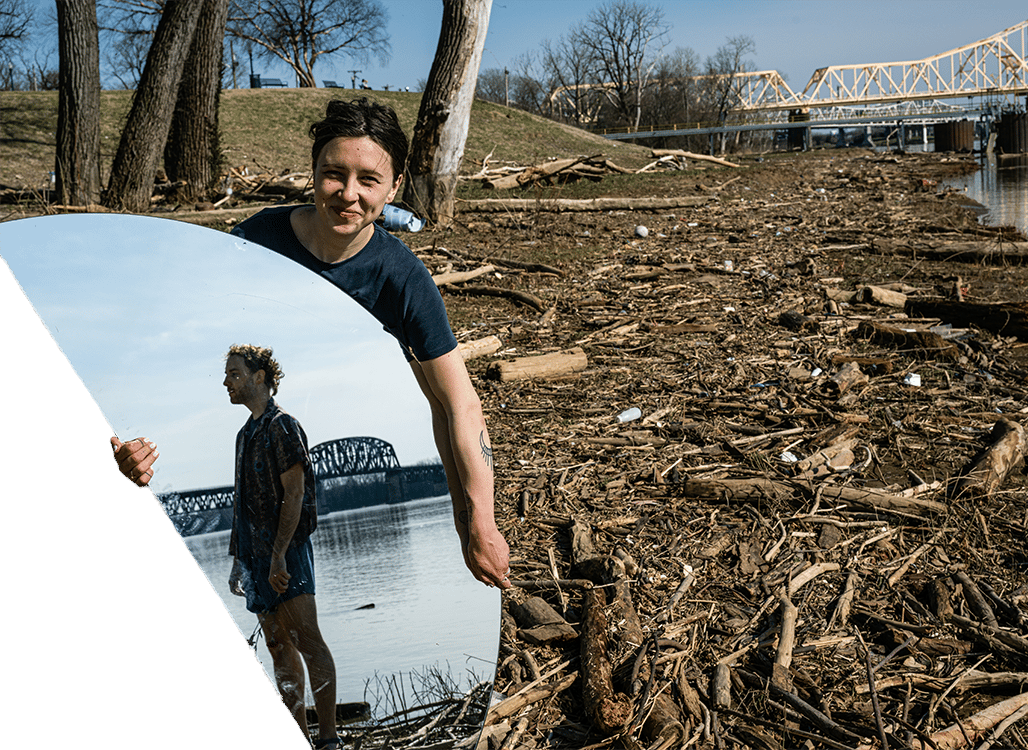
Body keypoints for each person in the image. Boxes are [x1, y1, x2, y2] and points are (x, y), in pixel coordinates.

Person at [112, 97, 511, 592]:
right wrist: (139, 438)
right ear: (314, 170)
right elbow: (188, 350)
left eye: (369, 180)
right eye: (334, 174)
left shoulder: (403, 279)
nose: (349, 194)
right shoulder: (255, 243)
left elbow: (459, 405)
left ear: (394, 188)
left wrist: (479, 522)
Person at [223, 344, 339, 749]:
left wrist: (277, 556)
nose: (226, 382)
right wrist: (238, 560)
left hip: (286, 552)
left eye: (234, 374)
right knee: (277, 647)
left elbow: (296, 493)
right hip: (255, 557)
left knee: (307, 639)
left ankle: (329, 739)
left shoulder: (283, 425)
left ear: (259, 377)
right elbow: (241, 502)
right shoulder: (244, 435)